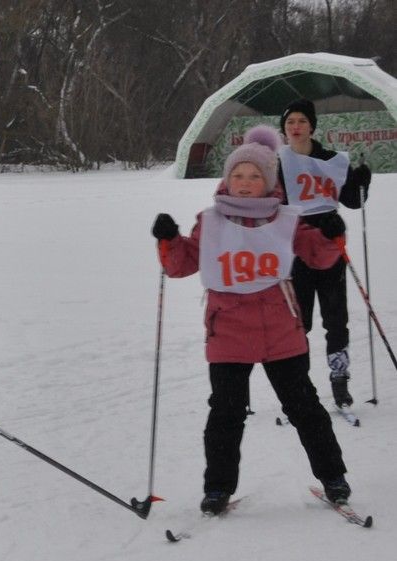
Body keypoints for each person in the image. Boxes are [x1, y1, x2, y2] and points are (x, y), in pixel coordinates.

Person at [153, 126, 352, 513]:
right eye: (238, 176)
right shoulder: (209, 221)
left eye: (255, 176)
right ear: (228, 180)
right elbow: (182, 264)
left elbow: (319, 255)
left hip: (281, 329)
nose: (245, 184)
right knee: (225, 414)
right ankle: (217, 489)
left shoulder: (286, 220)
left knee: (305, 408)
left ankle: (333, 477)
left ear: (269, 182)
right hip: (227, 330)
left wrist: (331, 234)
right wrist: (170, 240)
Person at [277, 98, 373, 408]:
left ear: (312, 126)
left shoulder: (332, 160)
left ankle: (339, 378)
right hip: (296, 245)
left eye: (302, 121)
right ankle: (300, 383)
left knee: (336, 317)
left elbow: (352, 201)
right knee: (298, 321)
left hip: (331, 243)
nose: (296, 127)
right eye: (290, 122)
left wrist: (360, 183)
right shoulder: (278, 162)